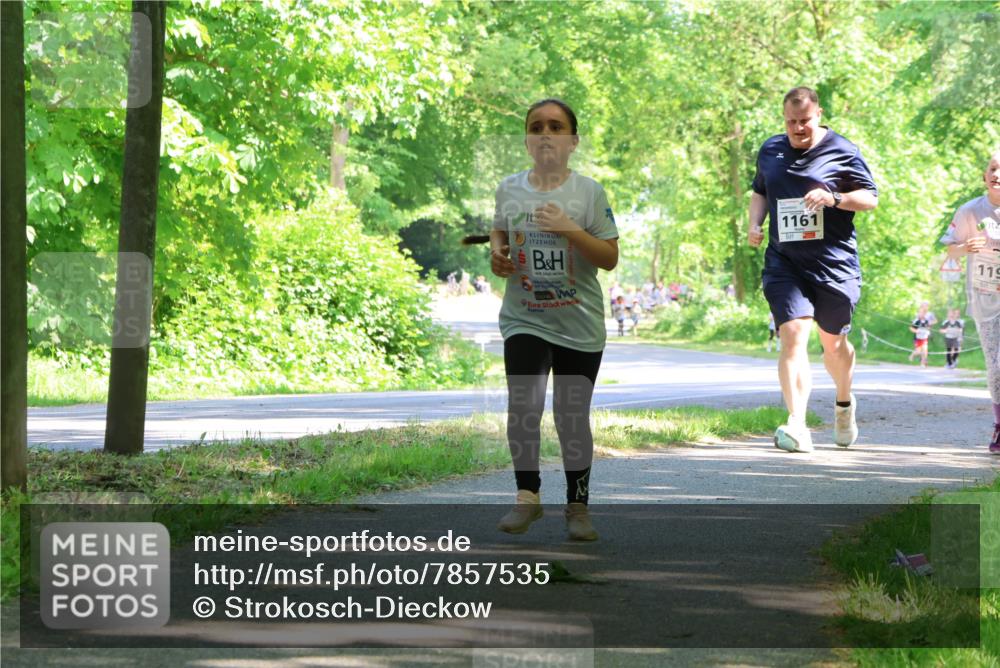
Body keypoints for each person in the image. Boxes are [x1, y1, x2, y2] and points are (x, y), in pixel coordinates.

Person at [489, 98, 620, 538]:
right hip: (524, 315)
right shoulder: (508, 188)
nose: (546, 133)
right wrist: (497, 252)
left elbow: (609, 257)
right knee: (523, 406)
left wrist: (568, 228)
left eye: (556, 126)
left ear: (573, 141)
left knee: (570, 415)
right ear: (527, 140)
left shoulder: (589, 192)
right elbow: (500, 229)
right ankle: (527, 498)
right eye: (537, 126)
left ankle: (577, 508)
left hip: (578, 322)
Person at [747, 86, 878, 453]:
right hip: (785, 262)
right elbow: (760, 190)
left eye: (804, 121)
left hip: (834, 263)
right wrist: (754, 224)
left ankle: (843, 403)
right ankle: (797, 423)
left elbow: (870, 198)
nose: (797, 129)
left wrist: (834, 198)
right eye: (791, 122)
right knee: (792, 335)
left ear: (818, 115)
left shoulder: (843, 150)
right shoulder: (771, 149)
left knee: (833, 343)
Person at [940, 149, 1000, 454]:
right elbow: (949, 250)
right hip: (985, 297)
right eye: (993, 169)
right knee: (996, 363)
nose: (997, 175)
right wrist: (965, 247)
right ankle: (999, 424)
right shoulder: (970, 211)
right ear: (985, 176)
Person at [908, 302, 932, 368]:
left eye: (923, 313)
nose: (921, 314)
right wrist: (916, 331)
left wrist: (928, 331)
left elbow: (928, 328)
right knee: (918, 351)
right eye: (920, 313)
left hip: (924, 338)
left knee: (925, 351)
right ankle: (912, 355)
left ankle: (923, 363)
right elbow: (911, 328)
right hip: (917, 338)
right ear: (918, 313)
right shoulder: (916, 321)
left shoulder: (926, 321)